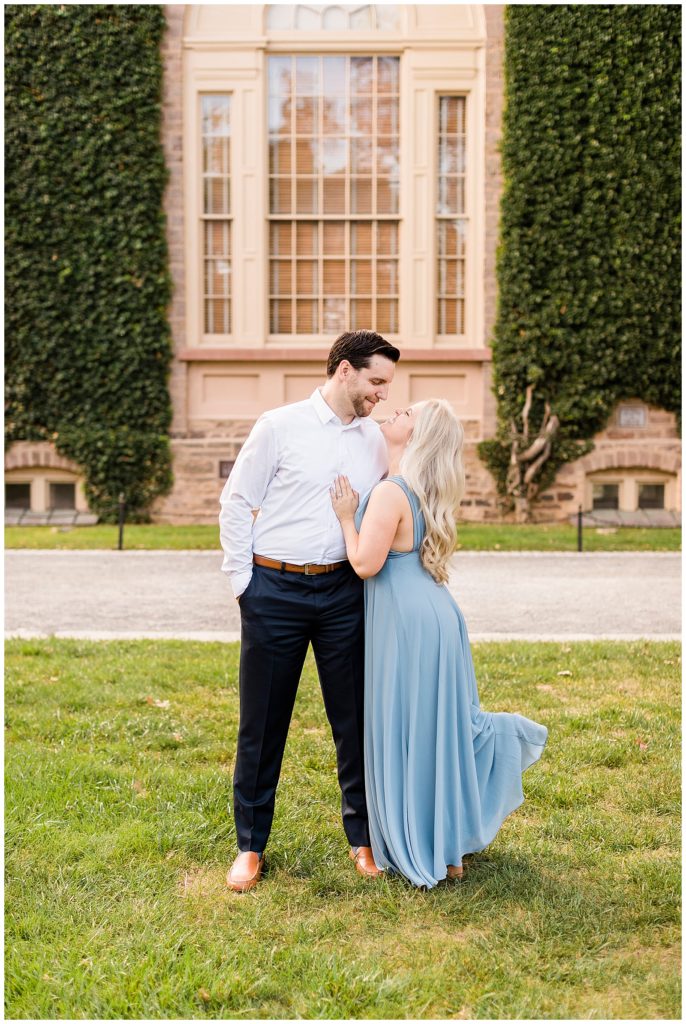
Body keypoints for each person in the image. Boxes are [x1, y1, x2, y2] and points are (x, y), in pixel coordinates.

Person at [330, 399, 548, 889]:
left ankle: (434, 844)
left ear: (417, 435)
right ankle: (448, 851)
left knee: (416, 729)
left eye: (407, 411)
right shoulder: (416, 488)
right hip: (436, 617)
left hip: (409, 625)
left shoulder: (390, 492)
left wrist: (346, 516)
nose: (395, 411)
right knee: (435, 731)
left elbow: (365, 564)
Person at [219, 330, 400, 892]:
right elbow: (237, 503)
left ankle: (363, 839)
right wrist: (243, 586)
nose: (381, 396)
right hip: (273, 590)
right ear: (344, 370)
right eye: (376, 382)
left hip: (345, 592)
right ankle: (250, 847)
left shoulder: (374, 440)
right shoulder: (279, 426)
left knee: (355, 721)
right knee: (262, 723)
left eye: (387, 387)